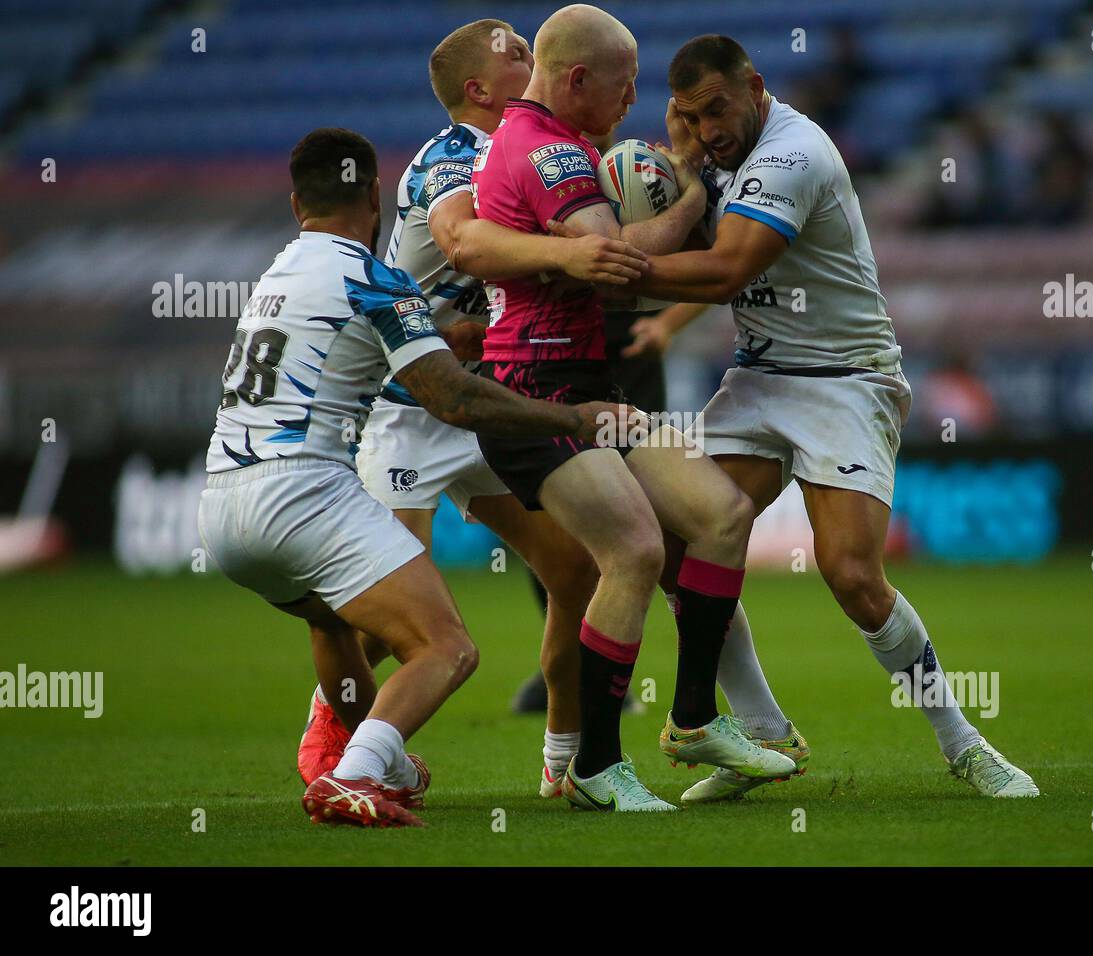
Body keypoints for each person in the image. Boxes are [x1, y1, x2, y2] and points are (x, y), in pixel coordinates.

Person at [560, 34, 1040, 800]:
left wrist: (619, 270)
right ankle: (762, 733)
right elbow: (686, 221)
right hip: (759, 377)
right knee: (682, 545)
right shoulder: (706, 151)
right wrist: (678, 176)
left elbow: (728, 267)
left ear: (753, 87)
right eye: (690, 114)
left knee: (851, 573)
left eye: (718, 108)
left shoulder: (794, 153)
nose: (708, 128)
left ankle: (965, 743)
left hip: (846, 380)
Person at [198, 127, 630, 827]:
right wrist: (577, 419)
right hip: (304, 496)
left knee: (333, 622)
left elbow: (365, 342)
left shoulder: (276, 276)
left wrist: (439, 332)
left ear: (294, 202)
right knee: (446, 647)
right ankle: (353, 773)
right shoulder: (373, 280)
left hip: (222, 508)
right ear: (375, 194)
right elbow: (454, 400)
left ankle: (375, 761)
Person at [295, 19, 647, 802]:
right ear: (478, 91)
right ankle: (337, 724)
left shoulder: (537, 151)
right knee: (382, 619)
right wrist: (568, 251)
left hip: (493, 401)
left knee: (576, 568)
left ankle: (565, 757)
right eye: (513, 53)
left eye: (531, 45)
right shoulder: (458, 154)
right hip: (413, 408)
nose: (531, 55)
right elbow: (462, 242)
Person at [462, 4, 797, 811]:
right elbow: (613, 262)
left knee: (719, 515)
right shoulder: (548, 153)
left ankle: (689, 722)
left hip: (592, 391)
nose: (634, 99)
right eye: (625, 84)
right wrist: (689, 198)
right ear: (577, 79)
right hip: (532, 397)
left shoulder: (558, 140)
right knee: (637, 552)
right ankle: (595, 768)